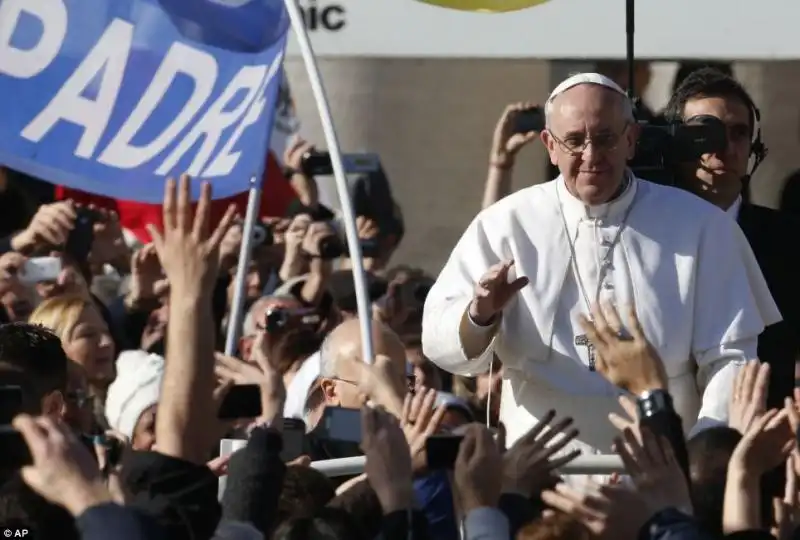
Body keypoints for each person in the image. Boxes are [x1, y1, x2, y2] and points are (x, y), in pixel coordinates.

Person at [422, 72, 780, 457]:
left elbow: (731, 359)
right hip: (537, 469)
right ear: (550, 145)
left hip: (662, 463)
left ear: (630, 139)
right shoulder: (505, 224)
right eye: (574, 141)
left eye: (606, 139)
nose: (591, 156)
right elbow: (438, 343)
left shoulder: (701, 226)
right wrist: (480, 314)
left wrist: (705, 452)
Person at [664, 68, 800, 409]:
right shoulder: (641, 236)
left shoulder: (788, 240)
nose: (723, 147)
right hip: (663, 443)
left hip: (761, 443)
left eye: (738, 133)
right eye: (704, 133)